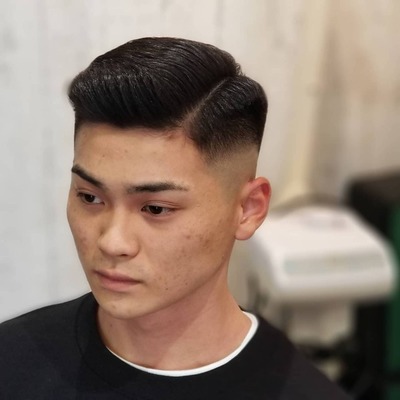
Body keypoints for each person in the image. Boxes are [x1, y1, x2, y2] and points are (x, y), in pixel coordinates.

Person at [0, 37, 351, 399]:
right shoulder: (11, 363)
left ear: (247, 209)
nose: (112, 242)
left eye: (155, 208)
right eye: (90, 197)